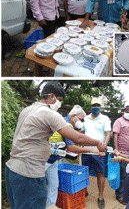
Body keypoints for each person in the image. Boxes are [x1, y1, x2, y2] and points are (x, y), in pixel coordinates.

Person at [5, 81, 106, 209]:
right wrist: (98, 143)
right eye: (59, 100)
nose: (59, 104)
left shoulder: (27, 110)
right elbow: (78, 138)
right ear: (51, 96)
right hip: (29, 173)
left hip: (12, 169)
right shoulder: (49, 113)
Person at [45, 105, 105, 208]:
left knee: (53, 186)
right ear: (73, 116)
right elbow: (72, 147)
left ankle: (50, 206)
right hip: (45, 159)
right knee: (45, 187)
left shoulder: (64, 121)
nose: (81, 122)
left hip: (53, 159)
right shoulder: (66, 124)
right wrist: (93, 148)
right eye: (80, 119)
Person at [81, 98, 111, 209]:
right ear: (90, 107)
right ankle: (84, 191)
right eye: (94, 105)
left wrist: (104, 145)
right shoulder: (86, 118)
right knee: (85, 173)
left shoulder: (105, 118)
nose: (96, 107)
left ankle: (101, 197)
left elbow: (108, 133)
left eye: (98, 105)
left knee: (100, 174)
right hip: (87, 151)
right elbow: (83, 133)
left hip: (99, 152)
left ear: (101, 107)